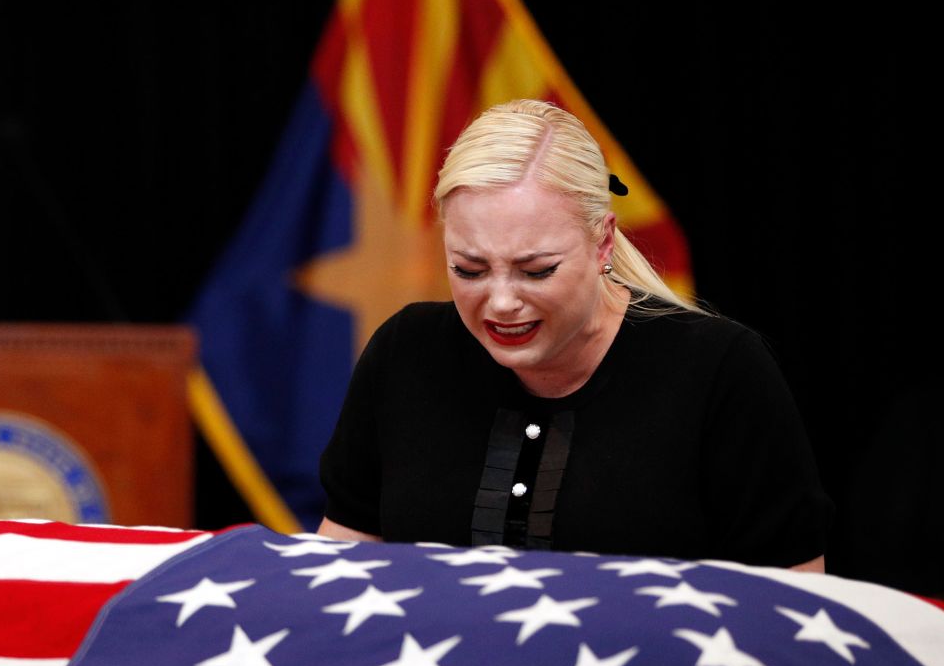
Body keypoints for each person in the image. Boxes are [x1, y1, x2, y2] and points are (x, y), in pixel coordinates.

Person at [317, 99, 828, 570]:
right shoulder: (405, 353)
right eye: (469, 269)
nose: (500, 302)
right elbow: (340, 569)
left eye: (536, 270)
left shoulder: (719, 371)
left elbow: (795, 601)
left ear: (603, 242)